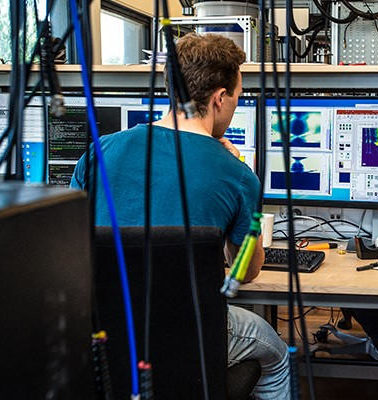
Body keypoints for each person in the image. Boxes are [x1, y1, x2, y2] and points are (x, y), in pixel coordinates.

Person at [70, 33, 290, 399]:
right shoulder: (237, 175)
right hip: (189, 332)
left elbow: (74, 244)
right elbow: (245, 272)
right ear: (220, 98)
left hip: (102, 333)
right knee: (278, 356)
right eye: (237, 96)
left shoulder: (98, 152)